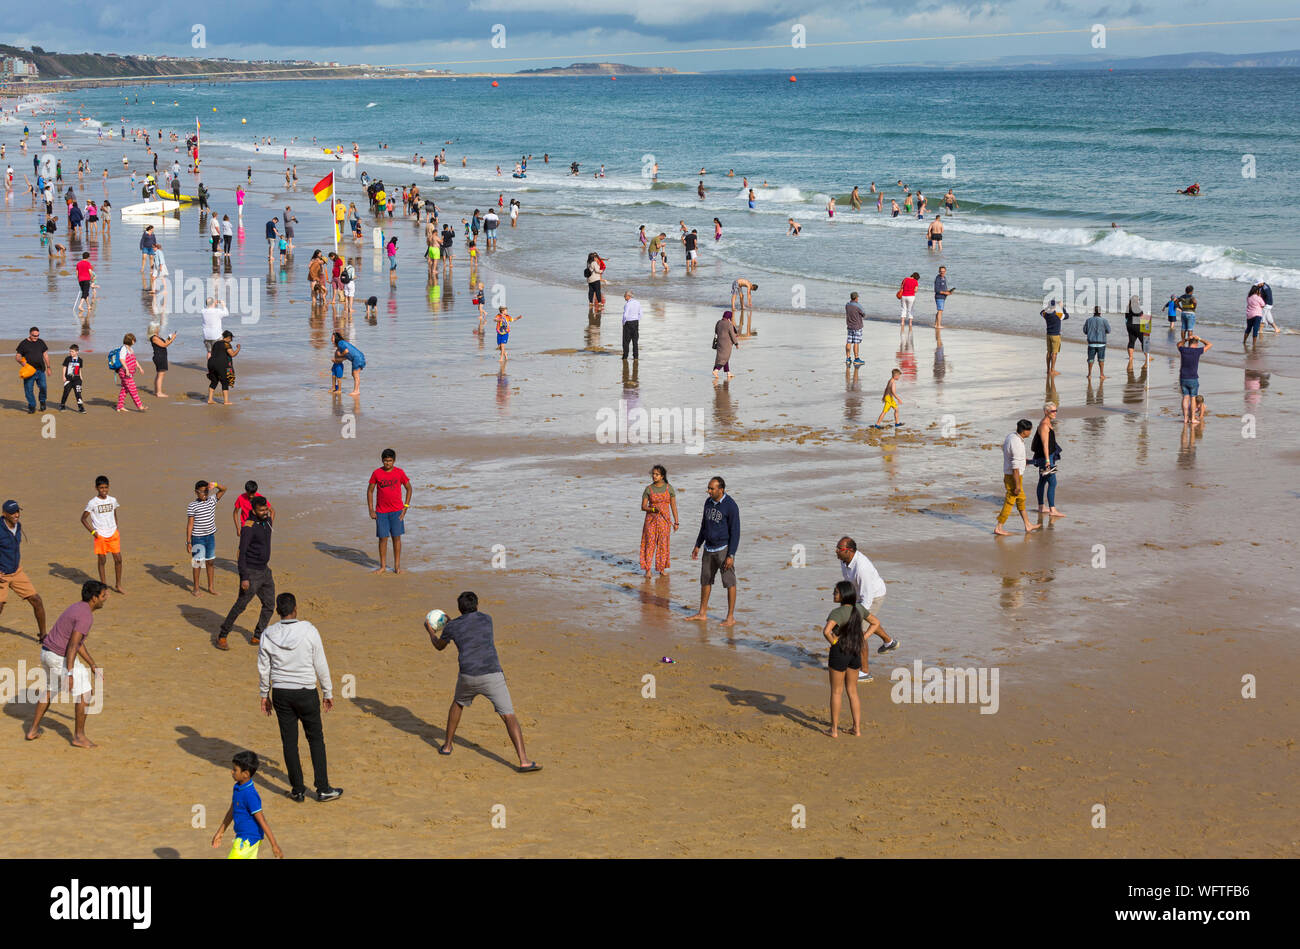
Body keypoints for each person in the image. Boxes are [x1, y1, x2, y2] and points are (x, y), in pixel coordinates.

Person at [426, 591, 541, 771]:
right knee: (509, 716)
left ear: (459, 609)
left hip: (468, 675)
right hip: (492, 674)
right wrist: (452, 623)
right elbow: (470, 628)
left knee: (457, 704)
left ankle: (447, 746)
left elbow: (439, 646)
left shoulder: (452, 627)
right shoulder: (487, 619)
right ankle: (524, 760)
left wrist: (431, 632)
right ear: (477, 605)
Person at [258, 593, 343, 802]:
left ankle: (297, 789)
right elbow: (320, 663)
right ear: (295, 608)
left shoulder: (268, 634)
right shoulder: (309, 631)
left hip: (281, 693)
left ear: (278, 611)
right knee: (315, 739)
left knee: (289, 742)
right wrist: (327, 692)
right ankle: (322, 788)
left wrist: (264, 694)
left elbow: (263, 668)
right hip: (305, 691)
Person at [25, 579, 108, 746]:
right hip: (58, 658)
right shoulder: (86, 616)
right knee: (85, 692)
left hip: (46, 654)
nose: (106, 598)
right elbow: (72, 646)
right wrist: (69, 673)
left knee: (51, 689)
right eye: (103, 595)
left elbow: (76, 642)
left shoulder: (77, 607)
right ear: (94, 598)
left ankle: (33, 730)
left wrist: (92, 664)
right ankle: (79, 736)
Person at [822, 581, 882, 732]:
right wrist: (864, 637)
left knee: (836, 691)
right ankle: (857, 728)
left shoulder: (837, 613)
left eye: (835, 592)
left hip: (840, 652)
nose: (833, 594)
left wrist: (835, 642)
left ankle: (834, 730)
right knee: (853, 691)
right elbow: (875, 623)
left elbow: (826, 632)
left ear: (843, 595)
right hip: (855, 652)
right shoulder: (860, 609)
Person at [218, 494, 275, 650]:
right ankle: (222, 635)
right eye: (261, 510)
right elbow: (241, 554)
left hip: (265, 571)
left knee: (270, 605)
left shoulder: (268, 522)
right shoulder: (248, 528)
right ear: (254, 510)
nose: (265, 512)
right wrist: (244, 577)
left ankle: (258, 635)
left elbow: (272, 512)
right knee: (240, 605)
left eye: (266, 509)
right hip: (251, 573)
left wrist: (268, 510)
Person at [686, 476, 740, 626]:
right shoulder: (708, 502)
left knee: (729, 582)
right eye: (708, 488)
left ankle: (730, 617)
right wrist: (698, 545)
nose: (708, 491)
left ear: (721, 490)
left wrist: (731, 555)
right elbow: (704, 525)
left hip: (723, 550)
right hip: (708, 549)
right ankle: (702, 613)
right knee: (705, 581)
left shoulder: (731, 506)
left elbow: (735, 532)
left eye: (711, 488)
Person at [211, 750, 285, 858]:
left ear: (245, 774)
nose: (231, 772)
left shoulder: (250, 795)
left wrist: (274, 845)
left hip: (247, 840)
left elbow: (262, 820)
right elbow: (232, 810)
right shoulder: (237, 788)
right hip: (245, 838)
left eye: (235, 770)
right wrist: (220, 832)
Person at [0, 500, 47, 639]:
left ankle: (43, 636)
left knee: (37, 600)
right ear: (4, 514)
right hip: (2, 575)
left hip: (17, 572)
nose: (16, 515)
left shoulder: (18, 526)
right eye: (12, 512)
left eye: (17, 511)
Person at [367, 449, 412, 574]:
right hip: (381, 512)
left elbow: (409, 488)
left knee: (396, 539)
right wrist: (371, 510)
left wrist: (405, 507)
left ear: (394, 461)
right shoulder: (376, 473)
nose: (388, 463)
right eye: (385, 461)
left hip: (397, 511)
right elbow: (370, 491)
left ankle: (397, 567)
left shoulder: (399, 472)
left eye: (390, 461)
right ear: (382, 460)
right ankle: (383, 566)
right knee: (383, 539)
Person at [994, 420, 1040, 536]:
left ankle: (1027, 524)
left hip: (1011, 474)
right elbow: (1015, 468)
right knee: (1010, 501)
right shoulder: (1018, 444)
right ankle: (999, 527)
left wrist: (1023, 461)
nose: (1030, 432)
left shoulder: (1011, 436)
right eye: (1030, 430)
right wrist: (1017, 485)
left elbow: (1004, 449)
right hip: (1014, 476)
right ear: (1025, 431)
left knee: (1021, 499)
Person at [81, 476, 124, 593]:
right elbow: (83, 519)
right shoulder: (92, 503)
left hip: (113, 534)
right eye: (101, 488)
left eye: (106, 487)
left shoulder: (113, 500)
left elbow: (114, 513)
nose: (104, 490)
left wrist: (116, 526)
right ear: (96, 488)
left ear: (108, 487)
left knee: (118, 559)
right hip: (100, 536)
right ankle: (104, 586)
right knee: (102, 561)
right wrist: (94, 532)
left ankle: (118, 584)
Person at [186, 479, 226, 596]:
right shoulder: (192, 506)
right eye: (203, 492)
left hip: (210, 537)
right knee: (197, 563)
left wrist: (216, 485)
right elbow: (190, 524)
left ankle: (211, 587)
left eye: (207, 492)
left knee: (210, 562)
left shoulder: (212, 500)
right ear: (196, 492)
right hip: (197, 538)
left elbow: (224, 489)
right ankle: (196, 588)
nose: (205, 494)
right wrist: (188, 542)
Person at [640, 465, 679, 578]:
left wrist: (676, 522)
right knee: (649, 544)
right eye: (653, 474)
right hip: (650, 521)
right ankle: (647, 570)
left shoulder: (669, 488)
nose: (654, 476)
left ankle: (661, 568)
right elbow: (643, 507)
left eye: (656, 474)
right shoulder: (648, 489)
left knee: (663, 545)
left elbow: (673, 506)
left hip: (664, 521)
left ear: (662, 476)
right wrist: (652, 509)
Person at [1031, 402, 1065, 517]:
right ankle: (1052, 510)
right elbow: (1045, 445)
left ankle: (1041, 507)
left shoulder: (1047, 422)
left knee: (1042, 481)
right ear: (1046, 412)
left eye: (1056, 410)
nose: (1055, 413)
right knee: (1053, 482)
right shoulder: (1044, 425)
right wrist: (1047, 461)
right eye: (1052, 411)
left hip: (1047, 456)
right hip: (1047, 458)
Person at [1177, 333, 1213, 424]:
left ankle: (1185, 418)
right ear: (1196, 344)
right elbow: (1209, 344)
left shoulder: (1183, 350)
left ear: (1189, 343)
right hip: (1193, 378)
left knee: (1185, 397)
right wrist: (1200, 338)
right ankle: (1192, 418)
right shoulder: (1197, 351)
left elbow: (1178, 344)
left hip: (1183, 377)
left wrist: (1186, 339)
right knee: (1193, 398)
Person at [16, 325, 50, 414]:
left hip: (40, 370)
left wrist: (48, 367)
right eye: (34, 336)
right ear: (30, 334)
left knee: (43, 387)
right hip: (29, 371)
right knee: (28, 390)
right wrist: (21, 362)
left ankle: (42, 401)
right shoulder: (23, 343)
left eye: (37, 335)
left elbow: (45, 355)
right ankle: (32, 406)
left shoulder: (41, 342)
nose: (36, 337)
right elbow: (18, 356)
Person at [114, 333, 147, 412]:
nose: (134, 341)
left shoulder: (131, 349)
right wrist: (127, 370)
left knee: (125, 389)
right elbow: (122, 360)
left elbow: (134, 360)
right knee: (133, 389)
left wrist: (140, 367)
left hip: (130, 372)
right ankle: (140, 406)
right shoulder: (124, 349)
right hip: (124, 372)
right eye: (133, 340)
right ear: (130, 340)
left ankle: (119, 406)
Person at [206, 331, 239, 406]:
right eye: (231, 339)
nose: (231, 340)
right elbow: (232, 354)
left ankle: (210, 399)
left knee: (214, 381)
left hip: (211, 363)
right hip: (220, 364)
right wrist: (238, 348)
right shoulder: (226, 344)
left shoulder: (216, 343)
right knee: (225, 381)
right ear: (228, 337)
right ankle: (226, 401)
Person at [1041, 299, 1069, 375]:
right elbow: (1067, 316)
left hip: (1048, 334)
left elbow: (1041, 312)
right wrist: (1062, 307)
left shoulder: (1045, 314)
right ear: (1055, 306)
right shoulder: (1058, 314)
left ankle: (1048, 369)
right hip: (1056, 335)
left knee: (1049, 352)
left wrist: (1047, 307)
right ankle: (1052, 370)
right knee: (1054, 353)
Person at [148, 322, 177, 397]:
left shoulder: (157, 336)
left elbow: (165, 342)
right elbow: (164, 345)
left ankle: (156, 391)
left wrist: (169, 338)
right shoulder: (154, 337)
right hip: (159, 357)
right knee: (161, 374)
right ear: (154, 329)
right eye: (158, 327)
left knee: (159, 374)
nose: (159, 328)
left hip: (161, 356)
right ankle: (159, 392)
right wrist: (172, 339)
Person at [1082, 305, 1110, 381]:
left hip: (1091, 342)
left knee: (1090, 359)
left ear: (1094, 312)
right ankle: (1101, 374)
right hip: (1101, 343)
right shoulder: (1104, 320)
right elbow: (1109, 330)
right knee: (1101, 359)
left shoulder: (1088, 320)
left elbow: (1085, 331)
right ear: (1100, 312)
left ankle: (1089, 374)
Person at [712, 309, 739, 381]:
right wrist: (736, 343)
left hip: (719, 343)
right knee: (725, 358)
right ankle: (716, 370)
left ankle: (728, 372)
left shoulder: (718, 322)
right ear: (729, 317)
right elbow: (733, 334)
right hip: (726, 344)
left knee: (723, 358)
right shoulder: (729, 324)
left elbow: (716, 331)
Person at [1124, 295, 1150, 366]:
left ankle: (1131, 357)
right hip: (1137, 325)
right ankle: (1147, 357)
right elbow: (1141, 316)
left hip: (1129, 325)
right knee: (1143, 341)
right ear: (1136, 301)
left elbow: (1126, 317)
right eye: (1139, 300)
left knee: (1131, 341)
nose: (1139, 301)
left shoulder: (1128, 307)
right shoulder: (1136, 307)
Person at [59, 344, 85, 412]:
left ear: (77, 352)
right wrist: (63, 376)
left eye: (72, 351)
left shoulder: (80, 360)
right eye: (70, 351)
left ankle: (81, 407)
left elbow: (79, 369)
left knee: (78, 393)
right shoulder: (67, 359)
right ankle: (62, 405)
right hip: (68, 379)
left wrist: (81, 376)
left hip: (77, 380)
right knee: (66, 392)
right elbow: (64, 367)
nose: (71, 353)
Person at [845, 291, 865, 365]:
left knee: (849, 342)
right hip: (857, 326)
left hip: (849, 326)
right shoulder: (858, 306)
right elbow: (864, 313)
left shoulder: (847, 305)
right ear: (856, 298)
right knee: (856, 342)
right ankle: (856, 358)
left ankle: (848, 358)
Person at [621, 290, 641, 360]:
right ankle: (636, 356)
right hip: (635, 322)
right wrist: (637, 320)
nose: (624, 297)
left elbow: (625, 315)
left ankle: (625, 356)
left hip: (628, 323)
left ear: (628, 296)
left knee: (626, 341)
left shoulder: (627, 304)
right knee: (635, 341)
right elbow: (640, 313)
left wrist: (623, 323)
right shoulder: (638, 303)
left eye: (625, 296)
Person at [74, 252, 94, 317]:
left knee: (85, 293)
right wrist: (92, 278)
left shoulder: (78, 264)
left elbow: (77, 273)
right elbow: (90, 272)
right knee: (85, 293)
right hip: (86, 279)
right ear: (88, 257)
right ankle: (80, 305)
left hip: (80, 280)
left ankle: (88, 306)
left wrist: (78, 279)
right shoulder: (88, 263)